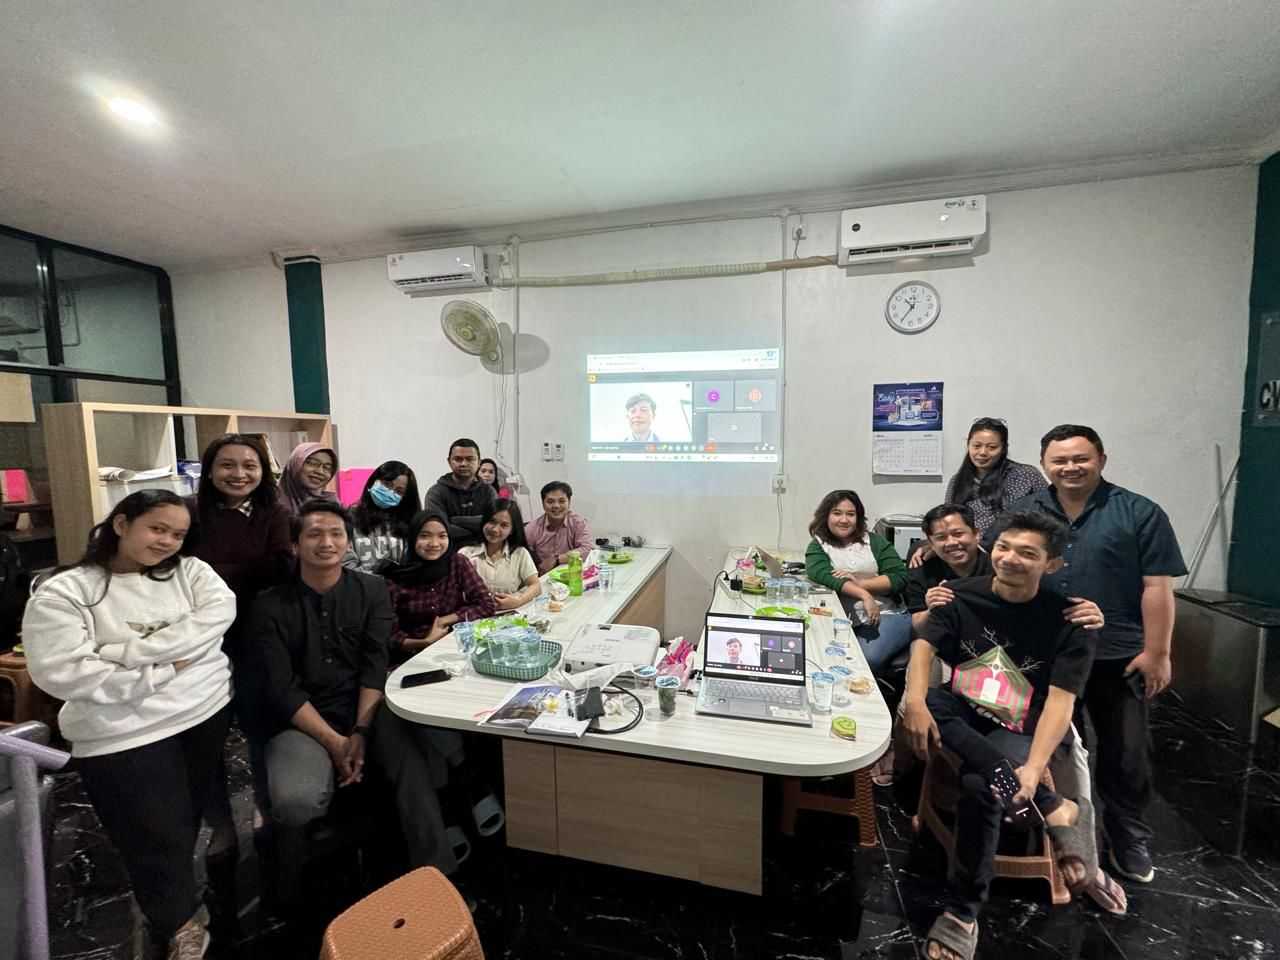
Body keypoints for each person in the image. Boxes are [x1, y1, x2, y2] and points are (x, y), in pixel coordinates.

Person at [24, 490, 236, 959]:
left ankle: (174, 903)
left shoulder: (191, 572)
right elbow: (63, 671)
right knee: (151, 833)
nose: (167, 542)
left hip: (202, 711)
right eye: (157, 529)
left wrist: (123, 653)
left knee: (183, 822)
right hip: (121, 732)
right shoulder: (67, 591)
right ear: (121, 524)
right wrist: (163, 670)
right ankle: (179, 923)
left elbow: (215, 621)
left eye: (177, 534)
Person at [903, 503, 1126, 915]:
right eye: (1004, 547)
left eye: (1027, 553)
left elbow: (1061, 703)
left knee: (980, 785)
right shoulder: (958, 594)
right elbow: (924, 644)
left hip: (1020, 724)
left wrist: (1035, 765)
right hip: (966, 711)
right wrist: (914, 701)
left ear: (1052, 563)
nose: (1010, 558)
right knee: (929, 701)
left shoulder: (1070, 619)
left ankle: (963, 912)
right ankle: (1052, 805)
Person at [243, 502, 464, 909]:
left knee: (409, 760)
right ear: (295, 545)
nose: (326, 542)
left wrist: (360, 731)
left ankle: (437, 877)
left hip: (366, 707)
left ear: (348, 542)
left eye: (336, 534)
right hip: (300, 719)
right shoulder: (269, 605)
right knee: (296, 799)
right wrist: (335, 742)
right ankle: (289, 894)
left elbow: (374, 664)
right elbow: (281, 688)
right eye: (314, 534)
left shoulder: (371, 590)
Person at [1004, 424, 1186, 884]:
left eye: (1080, 458)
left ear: (1101, 459)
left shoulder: (1139, 512)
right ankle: (1063, 835)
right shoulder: (1027, 510)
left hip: (1118, 655)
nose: (1070, 467)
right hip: (1045, 653)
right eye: (1059, 460)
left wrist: (1158, 652)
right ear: (1044, 464)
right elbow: (1004, 567)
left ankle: (1128, 836)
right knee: (1053, 748)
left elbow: (1157, 587)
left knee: (1126, 752)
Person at [180, 433, 293, 930]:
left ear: (263, 471)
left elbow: (280, 568)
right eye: (228, 465)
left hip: (256, 641)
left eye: (250, 465)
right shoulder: (190, 514)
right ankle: (221, 828)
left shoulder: (274, 514)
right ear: (209, 470)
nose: (239, 474)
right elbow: (178, 570)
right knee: (204, 740)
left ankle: (263, 813)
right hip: (200, 647)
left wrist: (211, 574)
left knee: (259, 731)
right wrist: (243, 572)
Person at [804, 489, 911, 673]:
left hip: (885, 614)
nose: (844, 520)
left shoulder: (875, 542)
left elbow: (899, 577)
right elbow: (823, 575)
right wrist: (864, 595)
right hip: (841, 619)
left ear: (858, 517)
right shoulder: (818, 546)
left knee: (865, 659)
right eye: (837, 513)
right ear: (826, 516)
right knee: (815, 652)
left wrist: (860, 582)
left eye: (851, 514)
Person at [386, 511, 496, 655]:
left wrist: (444, 620)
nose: (434, 543)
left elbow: (486, 604)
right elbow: (388, 635)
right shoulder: (395, 577)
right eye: (424, 536)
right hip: (412, 655)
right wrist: (425, 642)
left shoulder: (457, 562)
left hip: (455, 646)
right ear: (412, 537)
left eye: (442, 536)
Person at [943, 418, 1047, 535]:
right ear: (968, 445)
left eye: (992, 447)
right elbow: (948, 519)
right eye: (976, 446)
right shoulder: (957, 481)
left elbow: (1049, 514)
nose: (982, 452)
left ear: (1004, 448)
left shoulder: (1027, 475)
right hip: (968, 544)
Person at [460, 498, 541, 611]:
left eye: (504, 525)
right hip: (475, 616)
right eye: (492, 521)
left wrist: (518, 601)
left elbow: (536, 586)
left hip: (511, 615)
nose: (495, 529)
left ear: (512, 530)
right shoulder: (465, 554)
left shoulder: (519, 553)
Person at [343, 460, 421, 574]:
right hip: (358, 583)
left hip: (398, 584)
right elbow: (345, 563)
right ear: (373, 481)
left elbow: (414, 565)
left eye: (399, 491)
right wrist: (374, 581)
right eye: (387, 484)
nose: (390, 492)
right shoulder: (349, 517)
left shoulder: (411, 522)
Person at [424, 439, 495, 549]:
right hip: (447, 553)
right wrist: (479, 530)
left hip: (483, 552)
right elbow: (440, 529)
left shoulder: (489, 491)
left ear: (479, 463)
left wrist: (455, 520)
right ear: (449, 461)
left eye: (470, 459)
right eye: (458, 459)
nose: (463, 464)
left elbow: (494, 524)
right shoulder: (436, 493)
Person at [525, 481, 593, 575]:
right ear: (543, 504)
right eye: (550, 501)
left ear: (569, 502)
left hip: (573, 575)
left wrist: (557, 559)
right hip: (545, 576)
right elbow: (520, 551)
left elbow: (587, 549)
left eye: (561, 501)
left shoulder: (578, 523)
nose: (556, 506)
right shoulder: (532, 527)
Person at [277, 441, 339, 517]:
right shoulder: (271, 503)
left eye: (327, 468)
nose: (320, 471)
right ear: (295, 464)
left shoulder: (332, 504)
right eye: (313, 463)